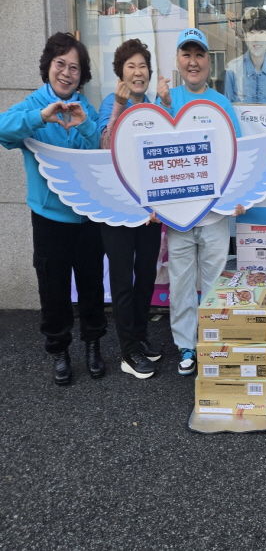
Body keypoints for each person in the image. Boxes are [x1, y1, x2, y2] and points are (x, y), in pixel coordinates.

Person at [0, 33, 106, 385]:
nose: (66, 73)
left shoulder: (85, 107)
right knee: (53, 287)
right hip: (49, 217)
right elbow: (3, 130)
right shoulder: (32, 105)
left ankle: (93, 344)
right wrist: (40, 117)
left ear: (82, 74)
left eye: (74, 68)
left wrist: (85, 124)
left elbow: (99, 151)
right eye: (61, 64)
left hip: (87, 216)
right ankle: (59, 350)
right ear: (48, 66)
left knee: (91, 283)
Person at [158, 28, 245, 375]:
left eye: (199, 55)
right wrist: (162, 106)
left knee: (213, 284)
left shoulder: (221, 104)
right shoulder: (166, 99)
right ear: (178, 60)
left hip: (214, 215)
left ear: (209, 61)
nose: (193, 62)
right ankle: (186, 346)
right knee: (180, 283)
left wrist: (239, 198)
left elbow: (238, 155)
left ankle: (211, 342)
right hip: (178, 217)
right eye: (187, 55)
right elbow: (152, 155)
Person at [99, 39, 162, 380]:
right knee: (123, 279)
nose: (138, 73)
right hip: (117, 209)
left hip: (149, 210)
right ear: (120, 72)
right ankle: (128, 351)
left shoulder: (153, 106)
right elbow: (104, 146)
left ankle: (139, 335)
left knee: (147, 274)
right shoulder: (110, 102)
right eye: (131, 66)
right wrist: (119, 107)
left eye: (143, 66)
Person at [225, 7, 266, 104]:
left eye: (261, 32)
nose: (256, 38)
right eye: (252, 32)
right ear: (245, 37)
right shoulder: (232, 69)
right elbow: (227, 108)